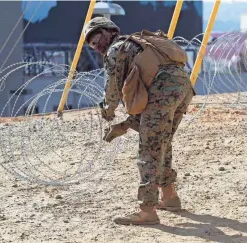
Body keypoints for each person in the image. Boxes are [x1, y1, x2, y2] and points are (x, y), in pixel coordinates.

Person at [83, 17, 195, 225]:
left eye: (96, 38)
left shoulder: (116, 49)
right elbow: (150, 104)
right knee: (162, 141)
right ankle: (170, 197)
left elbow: (113, 90)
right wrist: (124, 126)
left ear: (108, 32)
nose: (95, 45)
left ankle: (147, 211)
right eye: (91, 43)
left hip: (162, 90)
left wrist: (107, 112)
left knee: (149, 151)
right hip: (182, 88)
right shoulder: (139, 44)